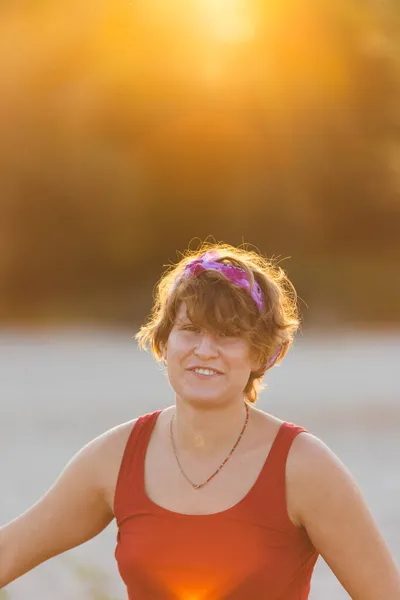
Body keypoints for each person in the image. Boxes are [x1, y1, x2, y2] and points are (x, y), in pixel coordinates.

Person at [0, 242, 399, 599]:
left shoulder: (305, 467)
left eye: (227, 335)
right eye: (190, 330)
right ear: (164, 342)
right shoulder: (115, 458)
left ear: (260, 354)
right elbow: (10, 551)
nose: (205, 350)